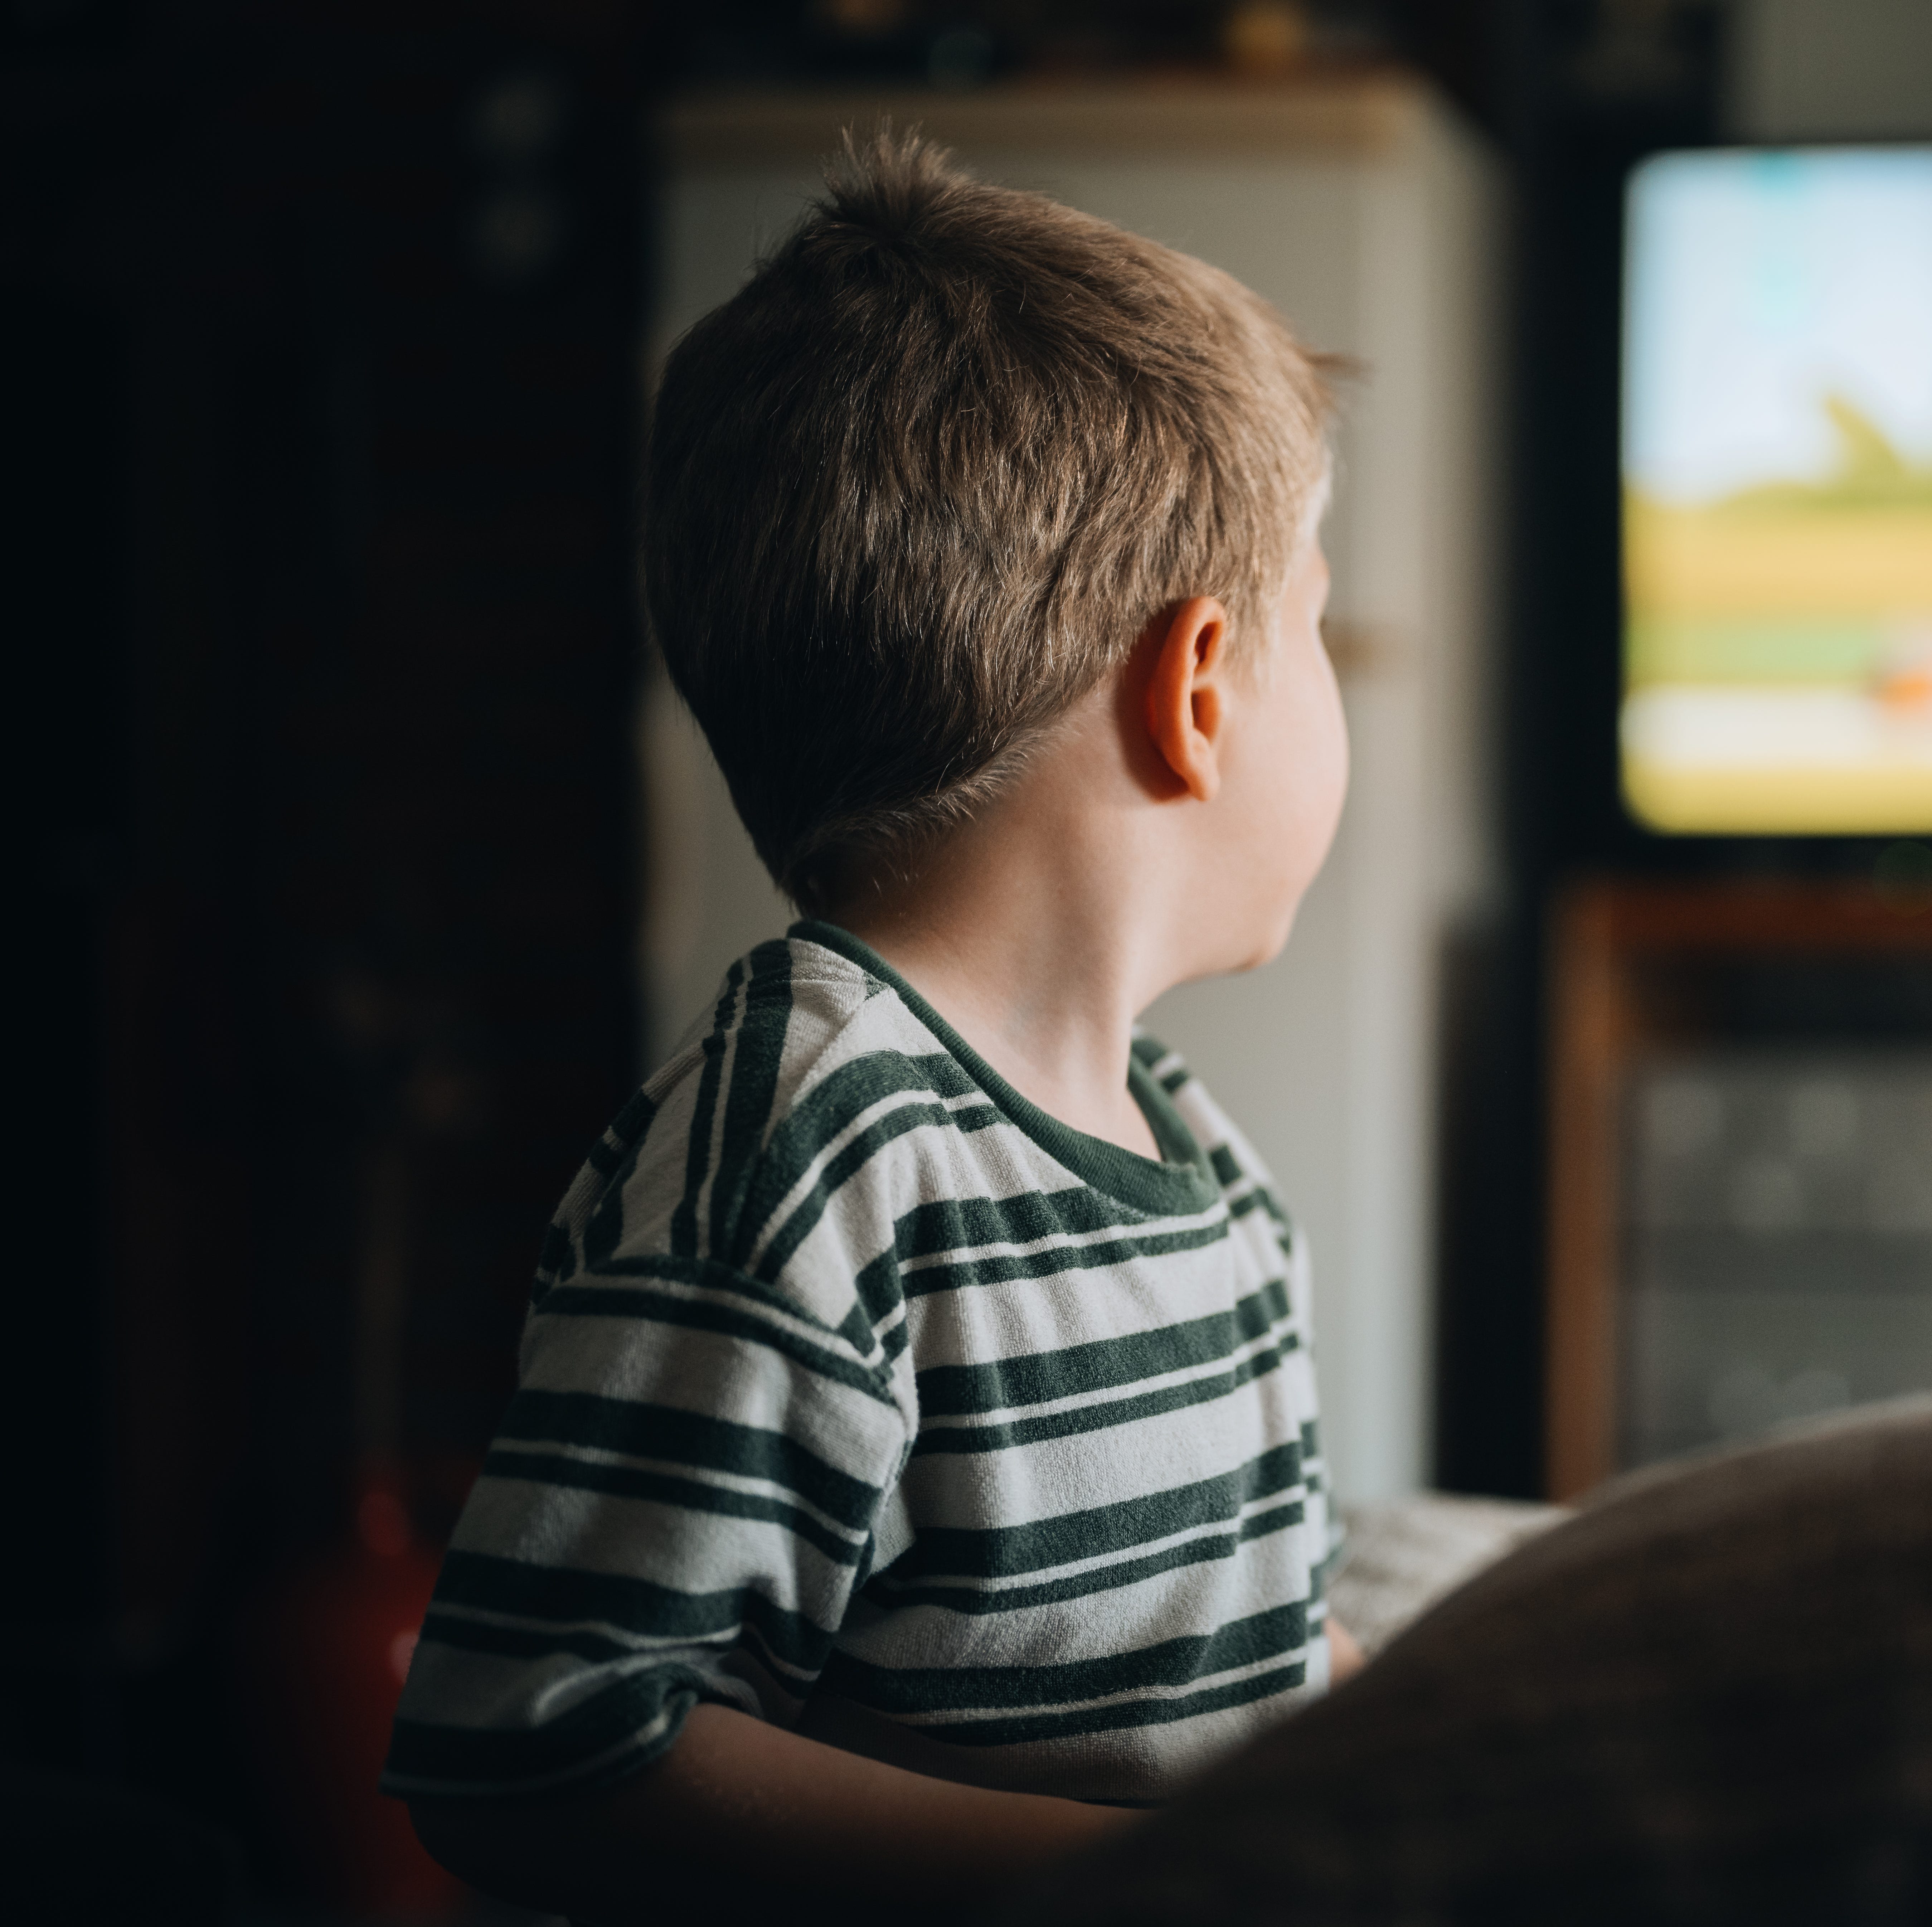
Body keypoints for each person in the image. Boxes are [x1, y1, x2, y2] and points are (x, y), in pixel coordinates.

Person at [386, 131, 1361, 1925]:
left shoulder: (1203, 1164)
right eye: (1323, 627)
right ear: (1202, 687)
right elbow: (533, 1738)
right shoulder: (810, 1146)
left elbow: (1270, 1646)